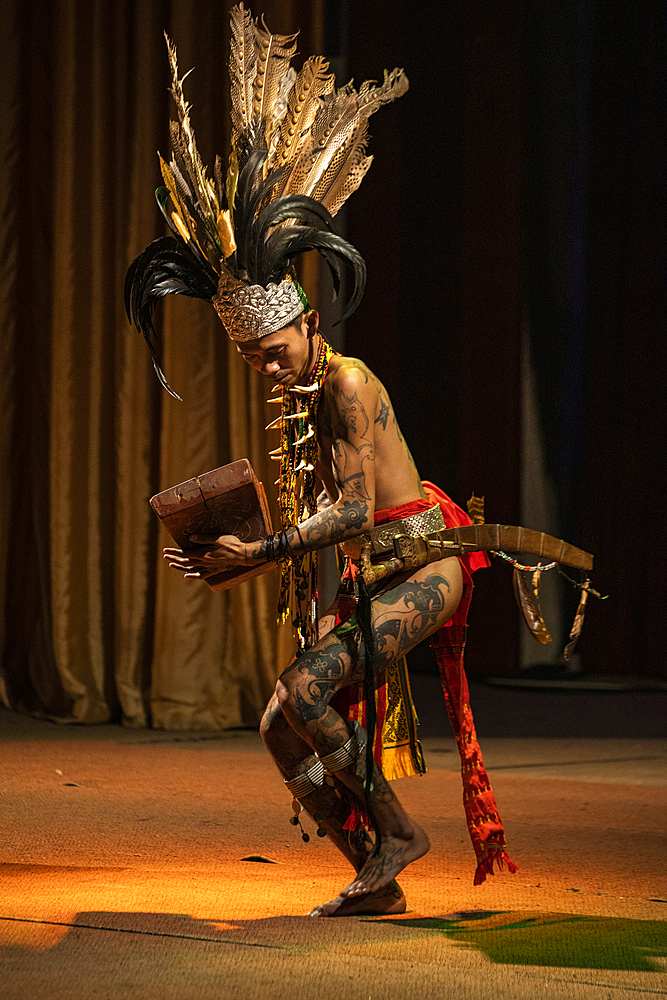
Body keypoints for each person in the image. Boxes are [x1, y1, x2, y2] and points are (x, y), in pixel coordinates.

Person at [126, 3, 516, 918]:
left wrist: (259, 552)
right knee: (279, 721)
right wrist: (231, 546)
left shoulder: (341, 382)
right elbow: (322, 530)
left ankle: (402, 834)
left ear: (306, 319)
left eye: (272, 348)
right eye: (250, 357)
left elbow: (347, 517)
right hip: (375, 572)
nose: (265, 365)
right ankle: (375, 870)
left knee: (303, 689)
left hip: (421, 561)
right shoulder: (300, 396)